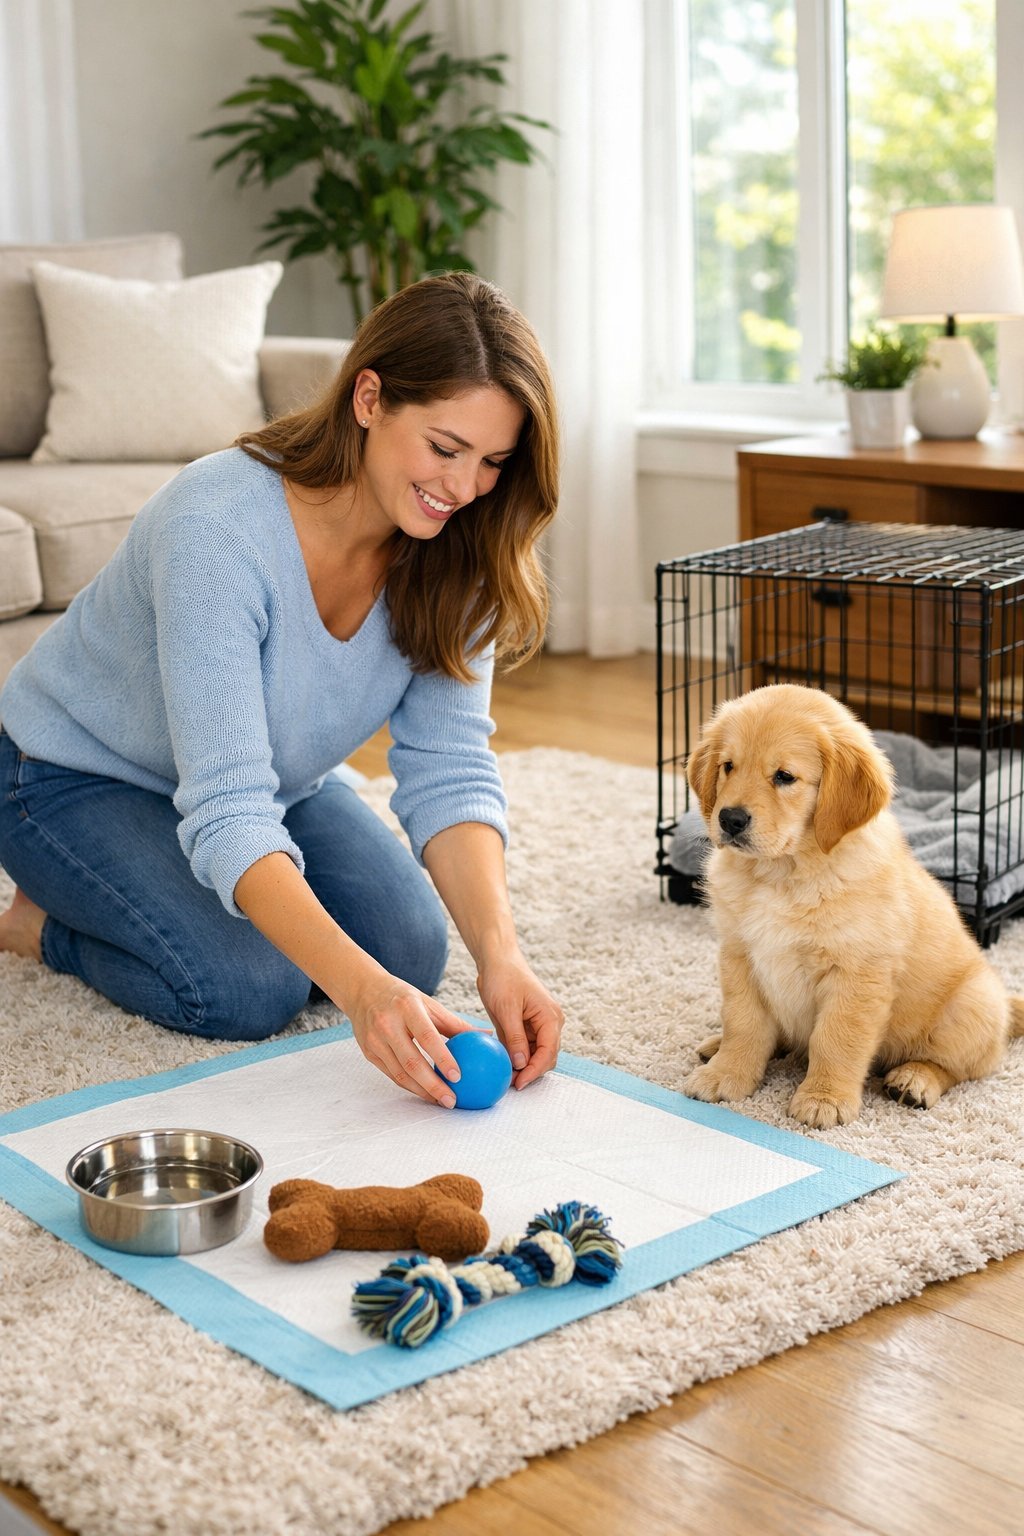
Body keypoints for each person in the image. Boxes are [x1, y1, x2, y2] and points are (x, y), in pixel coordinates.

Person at [0, 271, 564, 1109]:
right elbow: (227, 807)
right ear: (368, 398)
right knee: (244, 990)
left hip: (263, 779)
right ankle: (36, 923)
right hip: (70, 774)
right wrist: (361, 997)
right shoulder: (218, 526)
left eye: (492, 462)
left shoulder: (464, 544)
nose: (464, 487)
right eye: (444, 449)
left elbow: (448, 767)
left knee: (409, 951)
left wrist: (502, 956)